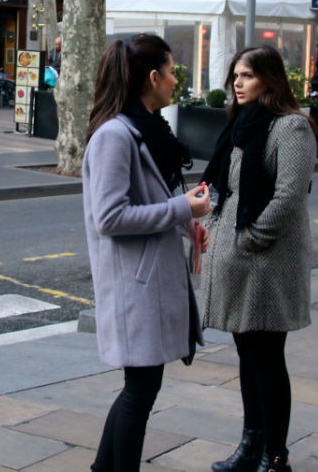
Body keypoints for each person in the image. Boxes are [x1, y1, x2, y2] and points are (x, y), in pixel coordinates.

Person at [82, 33, 211, 472]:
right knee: (139, 391)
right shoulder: (115, 135)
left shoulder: (146, 129)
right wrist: (181, 207)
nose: (177, 80)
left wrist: (189, 223)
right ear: (153, 77)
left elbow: (150, 197)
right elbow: (110, 217)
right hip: (134, 284)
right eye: (173, 71)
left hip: (149, 280)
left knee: (140, 389)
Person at [199, 45, 316, 472]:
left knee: (267, 358)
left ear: (269, 79)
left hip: (268, 260)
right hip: (235, 256)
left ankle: (276, 454)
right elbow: (221, 186)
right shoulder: (240, 127)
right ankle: (250, 446)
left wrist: (250, 239)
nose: (237, 82)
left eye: (246, 75)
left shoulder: (291, 128)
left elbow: (288, 197)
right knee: (248, 355)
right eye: (235, 75)